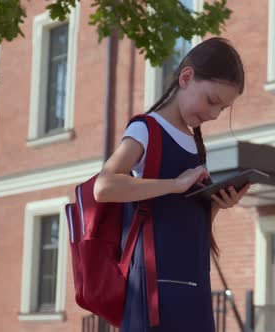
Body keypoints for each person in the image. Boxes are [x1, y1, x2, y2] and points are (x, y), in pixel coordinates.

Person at [93, 37, 249, 331]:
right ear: (186, 77)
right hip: (153, 288)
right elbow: (104, 186)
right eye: (212, 101)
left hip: (196, 286)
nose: (214, 114)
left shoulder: (195, 144)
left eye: (222, 108)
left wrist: (215, 205)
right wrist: (174, 184)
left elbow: (184, 220)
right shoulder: (146, 128)